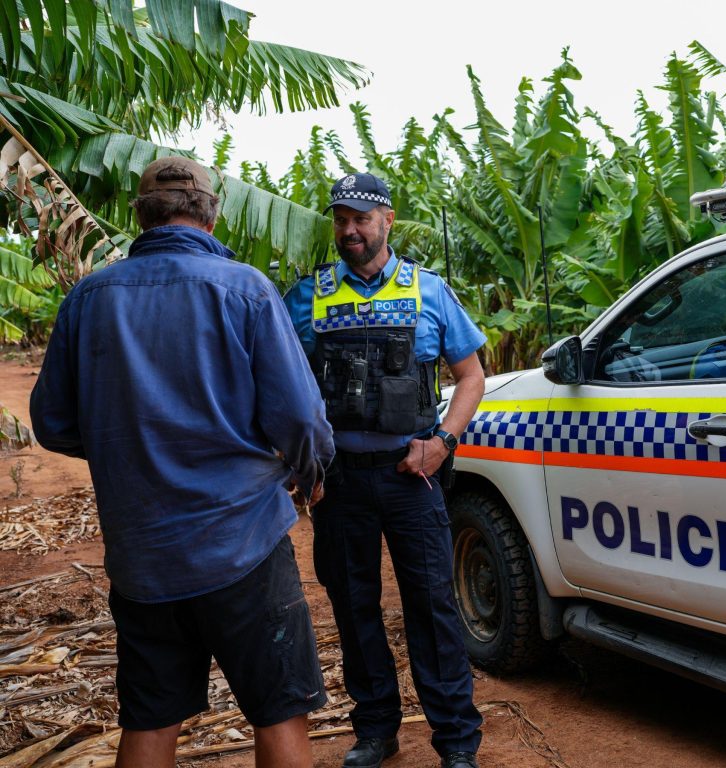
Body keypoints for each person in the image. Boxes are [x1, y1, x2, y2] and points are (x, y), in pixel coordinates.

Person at [29, 157, 334, 768]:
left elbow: (52, 422)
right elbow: (301, 420)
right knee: (278, 712)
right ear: (211, 211)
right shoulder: (245, 289)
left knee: (150, 717)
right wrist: (309, 468)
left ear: (139, 215)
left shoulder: (90, 297)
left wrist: (134, 447)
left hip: (142, 556)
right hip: (243, 539)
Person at [284, 173, 486, 768]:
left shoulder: (428, 289)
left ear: (387, 220)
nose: (350, 230)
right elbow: (284, 384)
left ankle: (455, 742)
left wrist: (444, 442)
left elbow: (470, 376)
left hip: (412, 475)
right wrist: (305, 465)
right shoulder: (308, 295)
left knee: (432, 606)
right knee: (353, 606)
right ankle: (375, 729)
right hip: (339, 481)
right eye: (340, 219)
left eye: (361, 219)